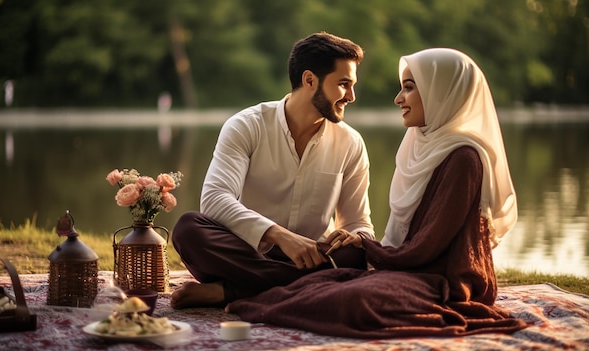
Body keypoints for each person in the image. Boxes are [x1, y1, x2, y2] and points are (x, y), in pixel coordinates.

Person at [226, 48, 528, 338]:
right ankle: (247, 288)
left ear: (442, 92)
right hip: (405, 266)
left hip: (442, 278)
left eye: (409, 88)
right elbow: (403, 242)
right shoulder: (421, 144)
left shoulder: (463, 157)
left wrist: (365, 246)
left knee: (349, 294)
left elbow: (428, 246)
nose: (398, 99)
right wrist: (357, 244)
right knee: (324, 280)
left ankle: (234, 290)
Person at [170, 32, 375, 309]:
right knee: (188, 229)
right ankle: (306, 287)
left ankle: (231, 292)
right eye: (343, 84)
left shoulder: (351, 143)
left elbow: (359, 224)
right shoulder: (247, 125)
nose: (351, 96)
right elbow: (215, 199)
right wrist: (279, 236)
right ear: (309, 80)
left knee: (357, 256)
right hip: (245, 253)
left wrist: (357, 237)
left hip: (311, 258)